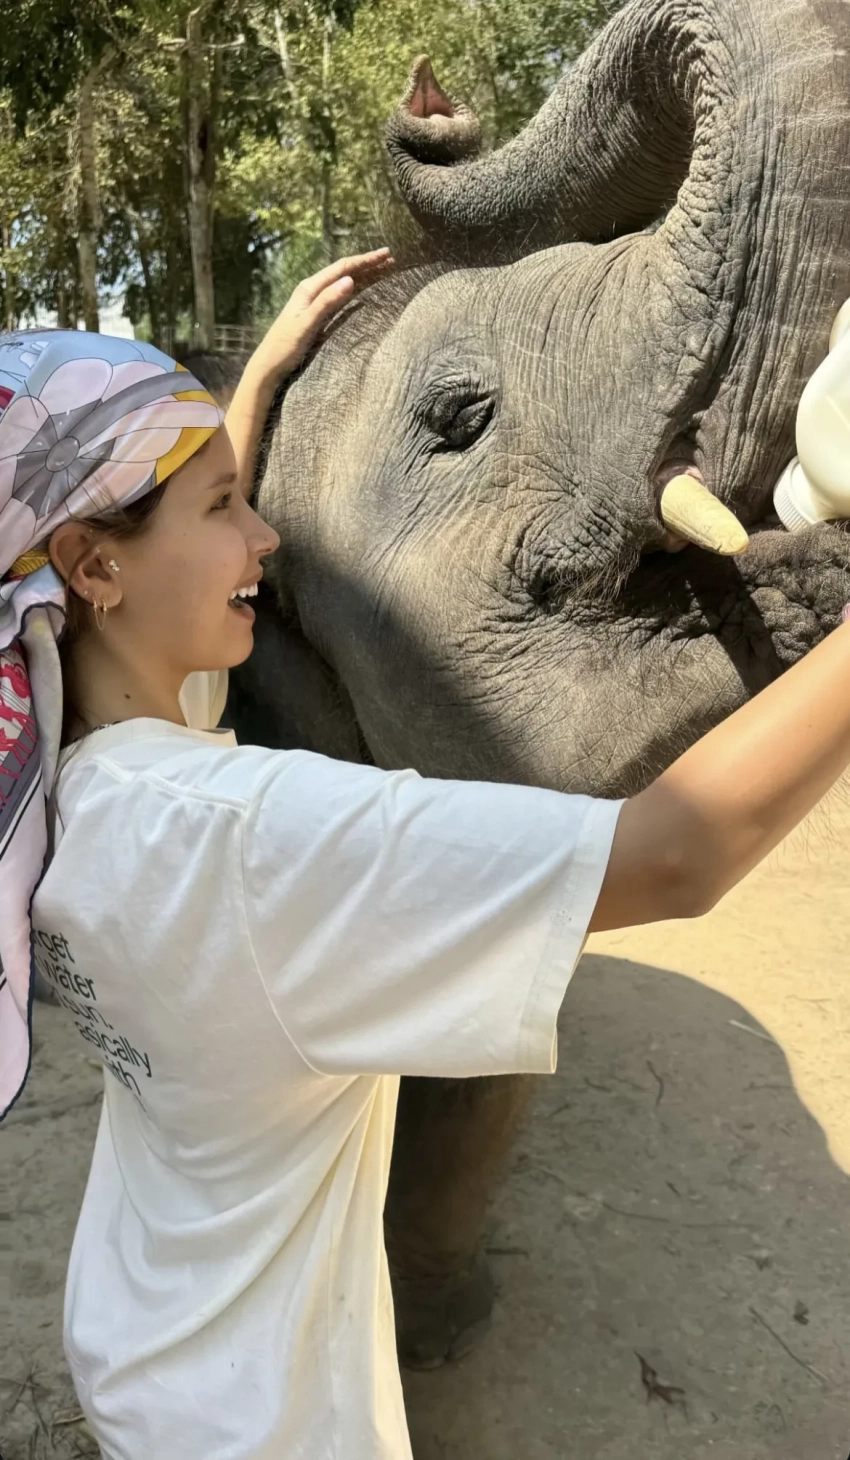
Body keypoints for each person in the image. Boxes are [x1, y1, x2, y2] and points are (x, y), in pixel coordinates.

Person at [1, 250, 850, 1460]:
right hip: (259, 1424)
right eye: (225, 506)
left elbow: (143, 558)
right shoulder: (250, 835)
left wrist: (261, 374)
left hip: (145, 1331)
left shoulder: (60, 757)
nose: (267, 532)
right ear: (95, 564)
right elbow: (677, 854)